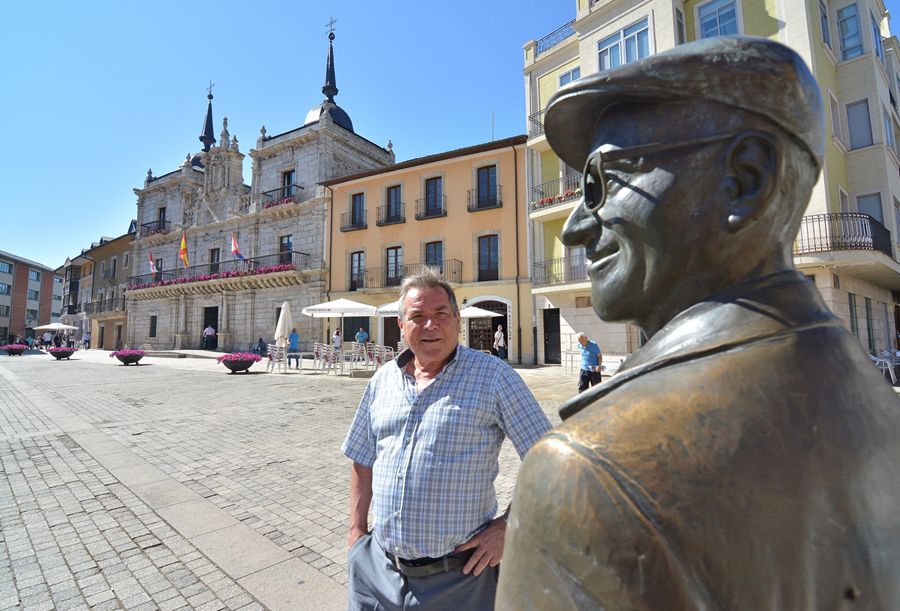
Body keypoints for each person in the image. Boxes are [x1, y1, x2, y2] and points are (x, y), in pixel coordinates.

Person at [497, 37, 900, 610]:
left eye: (601, 183)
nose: (575, 229)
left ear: (744, 179)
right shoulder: (876, 402)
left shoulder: (588, 474)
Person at [342, 267, 552, 611]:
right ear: (401, 324)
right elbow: (361, 458)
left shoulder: (494, 378)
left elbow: (550, 460)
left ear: (457, 319)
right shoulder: (382, 380)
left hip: (460, 581)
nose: (430, 325)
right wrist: (356, 533)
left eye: (440, 314)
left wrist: (511, 525)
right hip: (376, 571)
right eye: (418, 316)